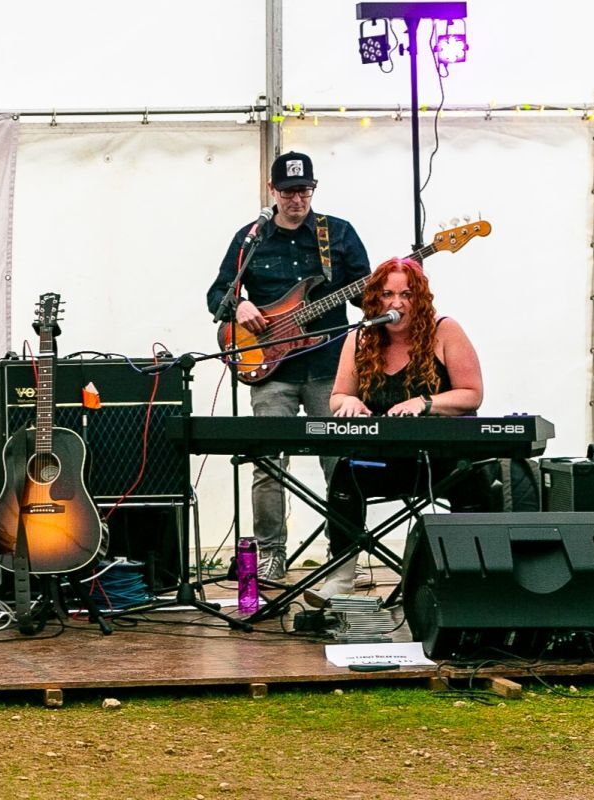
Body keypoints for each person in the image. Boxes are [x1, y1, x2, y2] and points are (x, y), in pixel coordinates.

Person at [207, 152, 372, 581]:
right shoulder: (251, 238)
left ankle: (345, 553)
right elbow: (217, 294)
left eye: (304, 190)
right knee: (268, 464)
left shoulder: (337, 233)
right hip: (271, 368)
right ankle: (270, 554)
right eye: (288, 191)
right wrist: (239, 305)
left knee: (340, 465)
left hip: (330, 369)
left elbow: (364, 297)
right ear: (272, 191)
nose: (297, 199)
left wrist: (393, 283)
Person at [304, 257, 485, 606]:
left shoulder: (445, 330)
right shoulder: (360, 338)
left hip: (441, 462)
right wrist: (348, 404)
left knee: (474, 475)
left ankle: (471, 575)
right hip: (385, 462)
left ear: (420, 299)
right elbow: (339, 396)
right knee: (345, 472)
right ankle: (340, 577)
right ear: (375, 300)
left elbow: (472, 394)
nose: (397, 303)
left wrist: (426, 403)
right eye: (387, 294)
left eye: (406, 294)